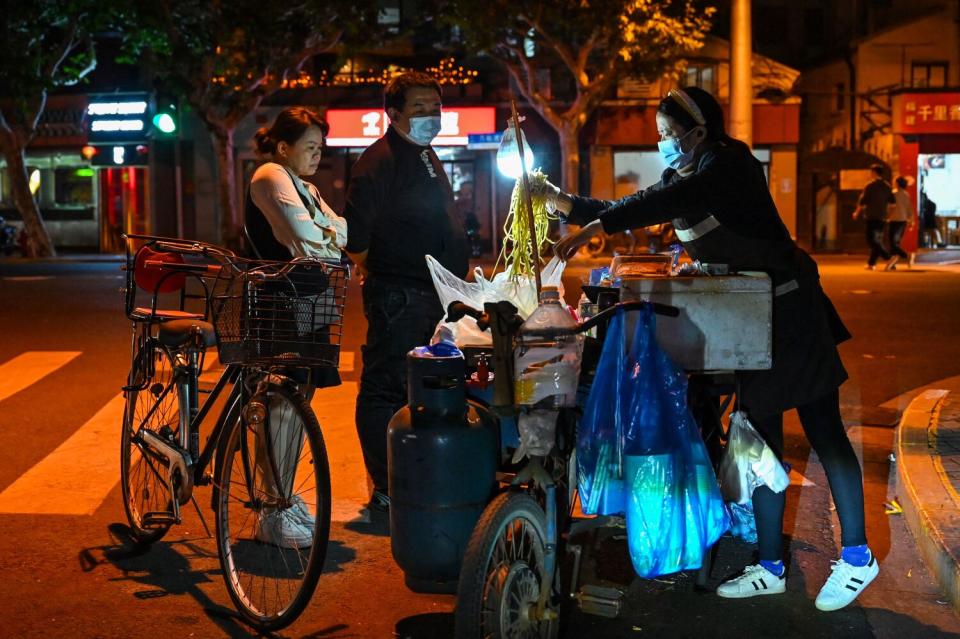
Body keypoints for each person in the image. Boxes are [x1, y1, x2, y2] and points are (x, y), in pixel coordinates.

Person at [549, 87, 878, 612]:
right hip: (749, 319)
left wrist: (594, 224)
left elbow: (661, 203)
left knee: (825, 432)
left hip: (792, 312)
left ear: (699, 133)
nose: (663, 145)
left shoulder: (730, 165)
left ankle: (858, 557)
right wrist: (567, 204)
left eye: (668, 135)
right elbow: (632, 205)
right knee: (759, 443)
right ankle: (770, 565)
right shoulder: (687, 174)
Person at [344, 71, 469, 512]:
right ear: (393, 113)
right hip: (400, 296)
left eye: (435, 107)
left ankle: (412, 475)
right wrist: (375, 270)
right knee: (385, 389)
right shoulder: (377, 161)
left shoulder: (427, 155)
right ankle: (385, 484)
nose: (431, 115)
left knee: (417, 390)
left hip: (432, 297)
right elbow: (355, 239)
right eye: (419, 108)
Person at [245, 106, 348, 548]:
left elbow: (342, 234)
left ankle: (283, 500)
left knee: (298, 399)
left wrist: (326, 233)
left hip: (310, 298)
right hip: (280, 303)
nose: (317, 155)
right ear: (284, 147)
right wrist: (327, 234)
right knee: (282, 404)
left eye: (321, 148)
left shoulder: (305, 187)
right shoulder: (270, 175)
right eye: (310, 147)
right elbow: (309, 240)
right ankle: (273, 510)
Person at [853, 164, 895, 270]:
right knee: (877, 240)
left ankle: (888, 257)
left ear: (874, 173)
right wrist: (888, 215)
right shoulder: (887, 186)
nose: (870, 174)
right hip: (882, 217)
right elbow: (893, 203)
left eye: (871, 172)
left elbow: (863, 201)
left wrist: (856, 212)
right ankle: (871, 263)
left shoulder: (870, 186)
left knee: (871, 240)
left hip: (872, 216)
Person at [885, 176, 913, 270]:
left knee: (893, 242)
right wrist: (911, 220)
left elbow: (890, 206)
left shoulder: (894, 193)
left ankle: (906, 255)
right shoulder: (906, 194)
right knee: (896, 242)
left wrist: (887, 216)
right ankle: (893, 263)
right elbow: (909, 208)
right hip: (903, 220)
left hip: (894, 219)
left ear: (897, 183)